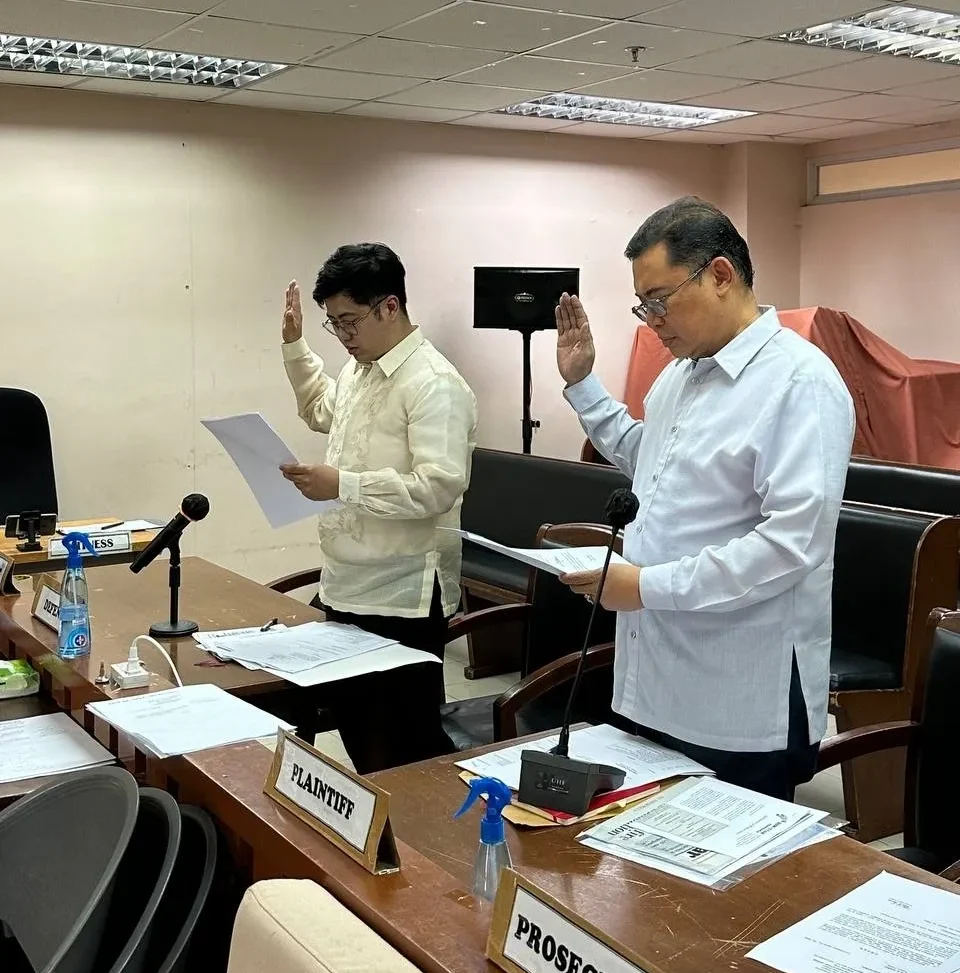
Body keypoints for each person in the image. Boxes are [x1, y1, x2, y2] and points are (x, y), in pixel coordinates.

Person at [556, 197, 855, 801]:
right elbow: (650, 460)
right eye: (642, 305)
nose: (651, 321)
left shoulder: (800, 381)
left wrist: (647, 587)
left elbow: (790, 545)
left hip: (739, 694)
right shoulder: (683, 372)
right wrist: (582, 384)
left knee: (730, 858)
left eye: (660, 300)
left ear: (720, 275)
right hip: (658, 674)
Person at [279, 242, 478, 773]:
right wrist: (296, 348)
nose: (343, 335)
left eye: (350, 321)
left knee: (401, 750)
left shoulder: (434, 383)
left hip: (402, 595)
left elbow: (437, 488)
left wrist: (342, 485)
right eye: (334, 324)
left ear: (390, 306)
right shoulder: (358, 371)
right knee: (359, 733)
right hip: (346, 582)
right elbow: (322, 411)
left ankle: (428, 827)